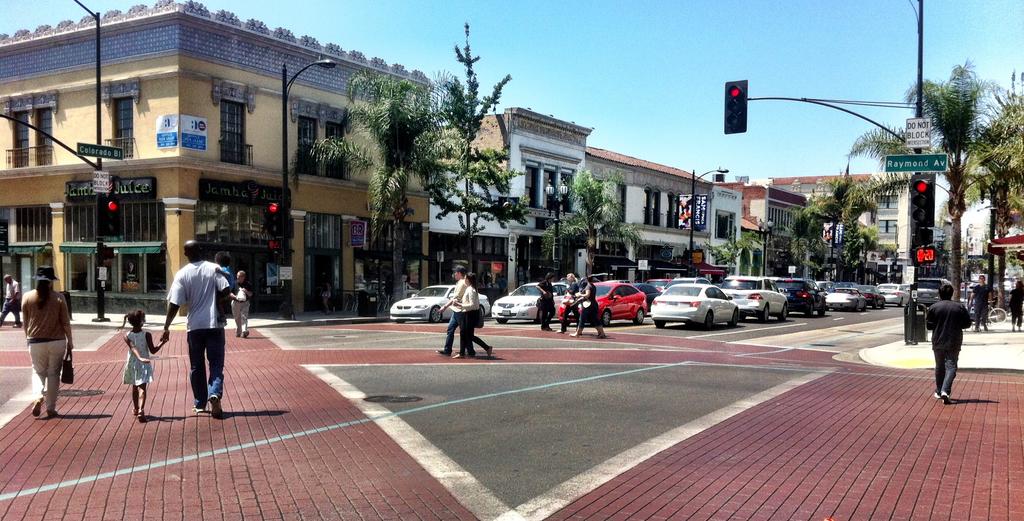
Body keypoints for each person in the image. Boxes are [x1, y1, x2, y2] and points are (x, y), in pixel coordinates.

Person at [162, 241, 233, 419]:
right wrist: (217, 301)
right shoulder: (213, 268)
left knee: (196, 365)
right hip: (215, 325)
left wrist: (166, 326)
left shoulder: (182, 274)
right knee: (216, 363)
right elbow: (226, 289)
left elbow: (174, 304)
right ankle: (214, 393)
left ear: (186, 254)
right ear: (200, 250)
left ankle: (200, 403)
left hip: (194, 327)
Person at [22, 267, 73, 419]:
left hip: (35, 340)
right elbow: (65, 322)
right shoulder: (59, 298)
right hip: (57, 341)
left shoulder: (27, 297)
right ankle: (51, 408)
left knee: (38, 371)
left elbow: (25, 322)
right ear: (51, 282)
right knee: (53, 374)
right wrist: (70, 341)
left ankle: (38, 395)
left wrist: (27, 338)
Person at [926, 283, 972, 404]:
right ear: (951, 293)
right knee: (951, 366)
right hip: (954, 340)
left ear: (939, 294)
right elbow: (967, 323)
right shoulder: (960, 307)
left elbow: (929, 326)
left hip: (938, 340)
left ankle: (939, 390)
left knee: (939, 366)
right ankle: (945, 391)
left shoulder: (934, 307)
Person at [120, 309, 166, 422]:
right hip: (143, 363)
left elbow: (132, 347)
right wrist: (162, 342)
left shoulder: (126, 335)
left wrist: (138, 357)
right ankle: (141, 409)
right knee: (142, 388)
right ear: (142, 321)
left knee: (134, 387)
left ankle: (135, 408)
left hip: (132, 363)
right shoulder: (147, 335)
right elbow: (153, 350)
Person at [453, 272, 492, 358]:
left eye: (466, 278)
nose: (464, 280)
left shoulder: (472, 290)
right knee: (463, 333)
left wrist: (460, 305)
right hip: (466, 313)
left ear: (468, 280)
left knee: (469, 335)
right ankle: (462, 353)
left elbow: (473, 305)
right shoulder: (469, 288)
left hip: (470, 314)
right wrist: (460, 303)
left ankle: (487, 347)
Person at [437, 266, 468, 356]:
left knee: (463, 332)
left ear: (459, 273)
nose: (454, 274)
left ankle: (469, 350)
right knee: (452, 329)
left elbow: (455, 298)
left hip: (460, 311)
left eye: (455, 273)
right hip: (456, 310)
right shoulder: (460, 282)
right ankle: (448, 349)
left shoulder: (462, 283)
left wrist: (445, 306)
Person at [232, 270, 254, 338]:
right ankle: (239, 331)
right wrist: (235, 297)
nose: (237, 278)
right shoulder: (234, 283)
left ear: (243, 277)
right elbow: (230, 293)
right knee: (237, 317)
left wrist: (246, 291)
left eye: (239, 277)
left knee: (244, 317)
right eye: (237, 276)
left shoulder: (248, 284)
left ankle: (244, 331)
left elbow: (251, 294)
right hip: (236, 302)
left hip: (245, 303)